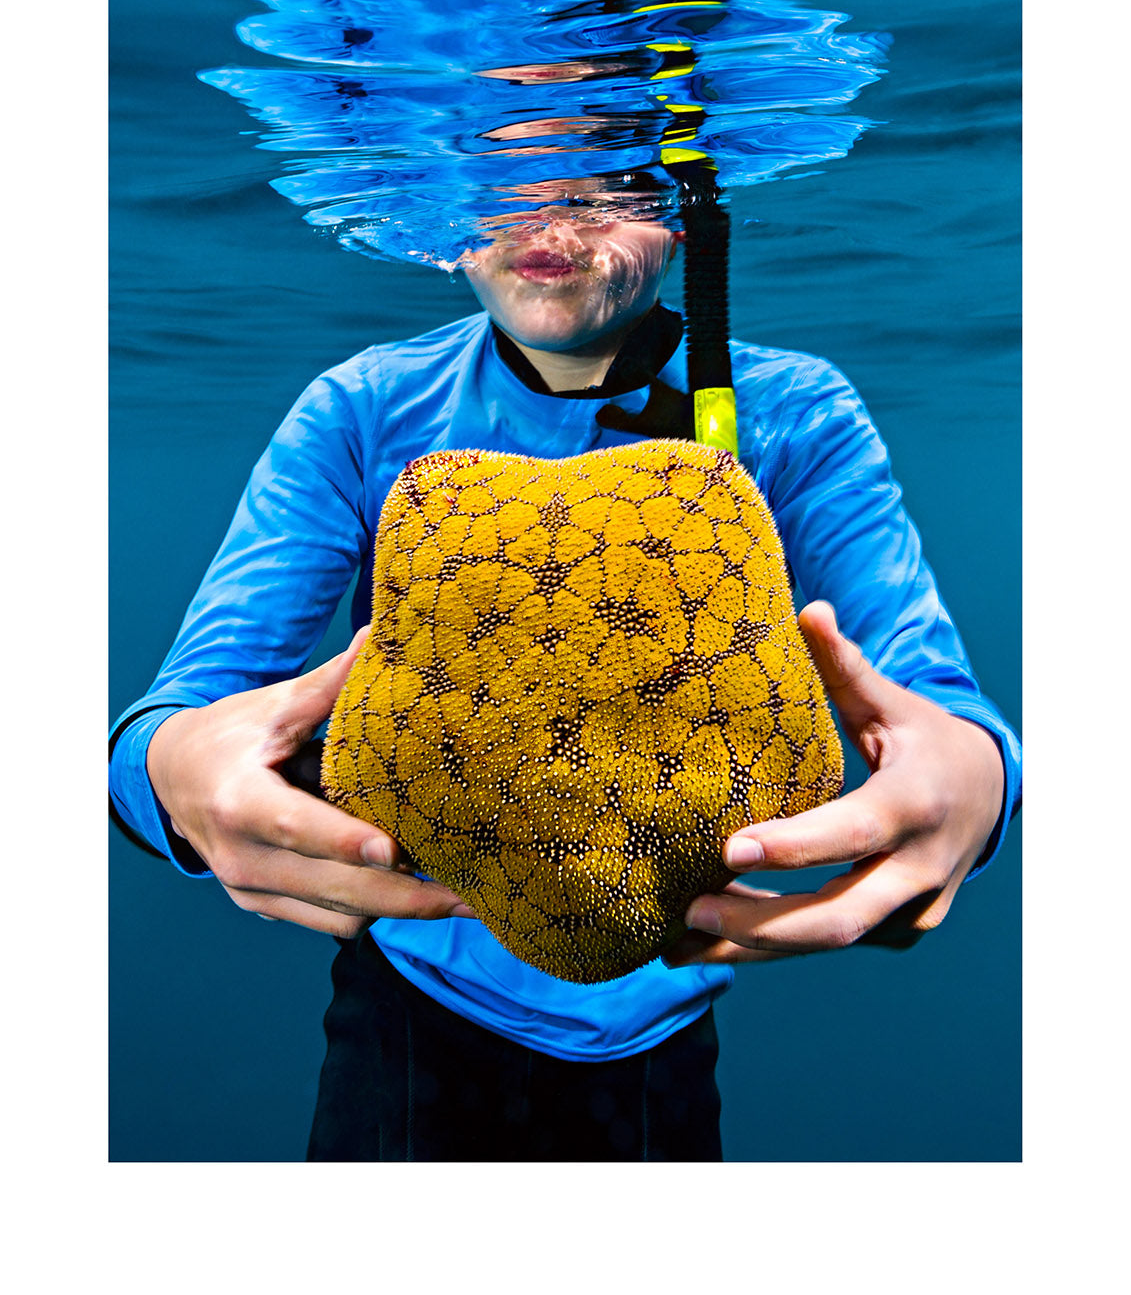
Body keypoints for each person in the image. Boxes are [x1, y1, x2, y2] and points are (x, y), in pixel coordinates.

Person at [109, 194, 1021, 1162]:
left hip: (662, 1017)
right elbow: (175, 717)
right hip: (411, 1000)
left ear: (683, 217)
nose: (549, 222)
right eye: (506, 181)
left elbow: (941, 708)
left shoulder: (793, 414)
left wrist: (979, 781)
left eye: (602, 188)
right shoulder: (362, 407)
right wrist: (168, 773)